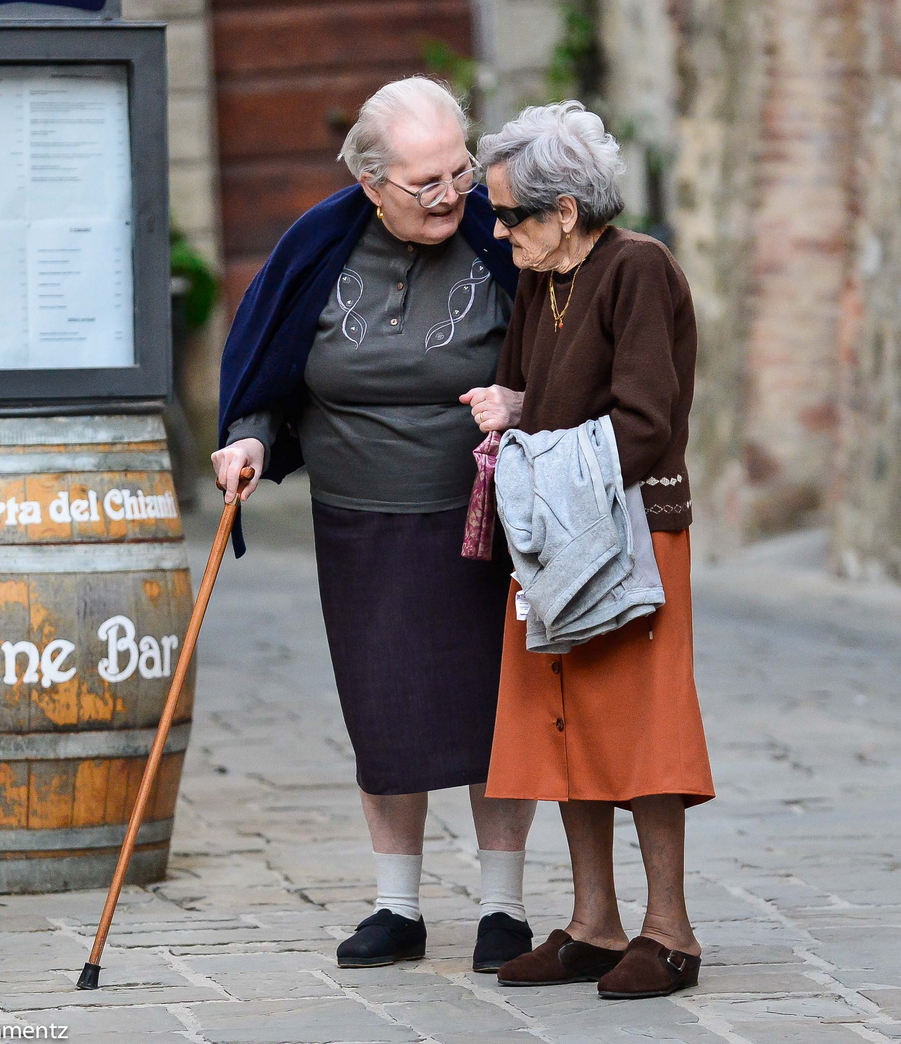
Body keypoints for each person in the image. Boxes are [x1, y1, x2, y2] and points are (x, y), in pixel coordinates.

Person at [212, 77, 537, 973]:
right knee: (384, 714)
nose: (450, 197)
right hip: (360, 522)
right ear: (371, 184)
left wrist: (522, 400)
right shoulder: (315, 249)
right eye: (424, 183)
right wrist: (245, 443)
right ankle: (398, 908)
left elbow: (564, 352)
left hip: (488, 518)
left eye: (458, 173)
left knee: (490, 713)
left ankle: (503, 908)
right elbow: (268, 378)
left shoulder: (498, 237)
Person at [460, 101, 716, 1000]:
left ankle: (670, 932)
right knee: (560, 718)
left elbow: (645, 424)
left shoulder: (636, 268)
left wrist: (536, 434)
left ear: (565, 210)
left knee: (639, 727)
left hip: (633, 532)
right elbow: (538, 392)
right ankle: (596, 925)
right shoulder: (542, 275)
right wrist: (515, 411)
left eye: (509, 215)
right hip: (555, 530)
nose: (497, 231)